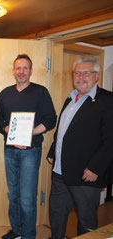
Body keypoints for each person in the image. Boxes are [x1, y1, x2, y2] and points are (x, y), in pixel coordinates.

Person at [47, 56, 113, 238]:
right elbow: (62, 130)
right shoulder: (70, 99)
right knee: (57, 215)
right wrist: (53, 151)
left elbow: (111, 140)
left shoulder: (107, 100)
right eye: (77, 73)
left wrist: (96, 168)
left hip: (86, 174)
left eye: (86, 73)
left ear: (97, 76)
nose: (81, 77)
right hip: (60, 172)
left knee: (86, 220)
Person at [0, 54, 57, 239]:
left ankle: (29, 235)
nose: (21, 71)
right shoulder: (5, 93)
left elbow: (51, 119)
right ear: (13, 71)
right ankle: (16, 230)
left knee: (27, 197)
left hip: (30, 152)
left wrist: (30, 132)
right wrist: (8, 129)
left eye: (25, 68)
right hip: (10, 150)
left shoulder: (41, 92)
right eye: (18, 68)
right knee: (13, 194)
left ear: (30, 71)